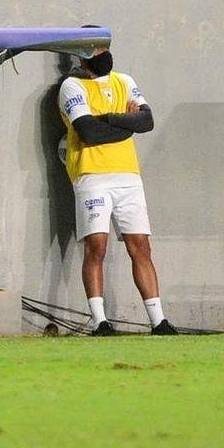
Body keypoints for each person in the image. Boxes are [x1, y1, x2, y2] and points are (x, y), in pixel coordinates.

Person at [58, 35, 177, 336]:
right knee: (96, 245)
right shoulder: (72, 86)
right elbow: (88, 132)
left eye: (104, 47)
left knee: (141, 246)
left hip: (128, 175)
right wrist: (126, 123)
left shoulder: (125, 81)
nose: (102, 53)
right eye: (96, 49)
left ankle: (159, 321)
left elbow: (146, 121)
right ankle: (100, 321)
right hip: (91, 174)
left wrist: (108, 118)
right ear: (82, 54)